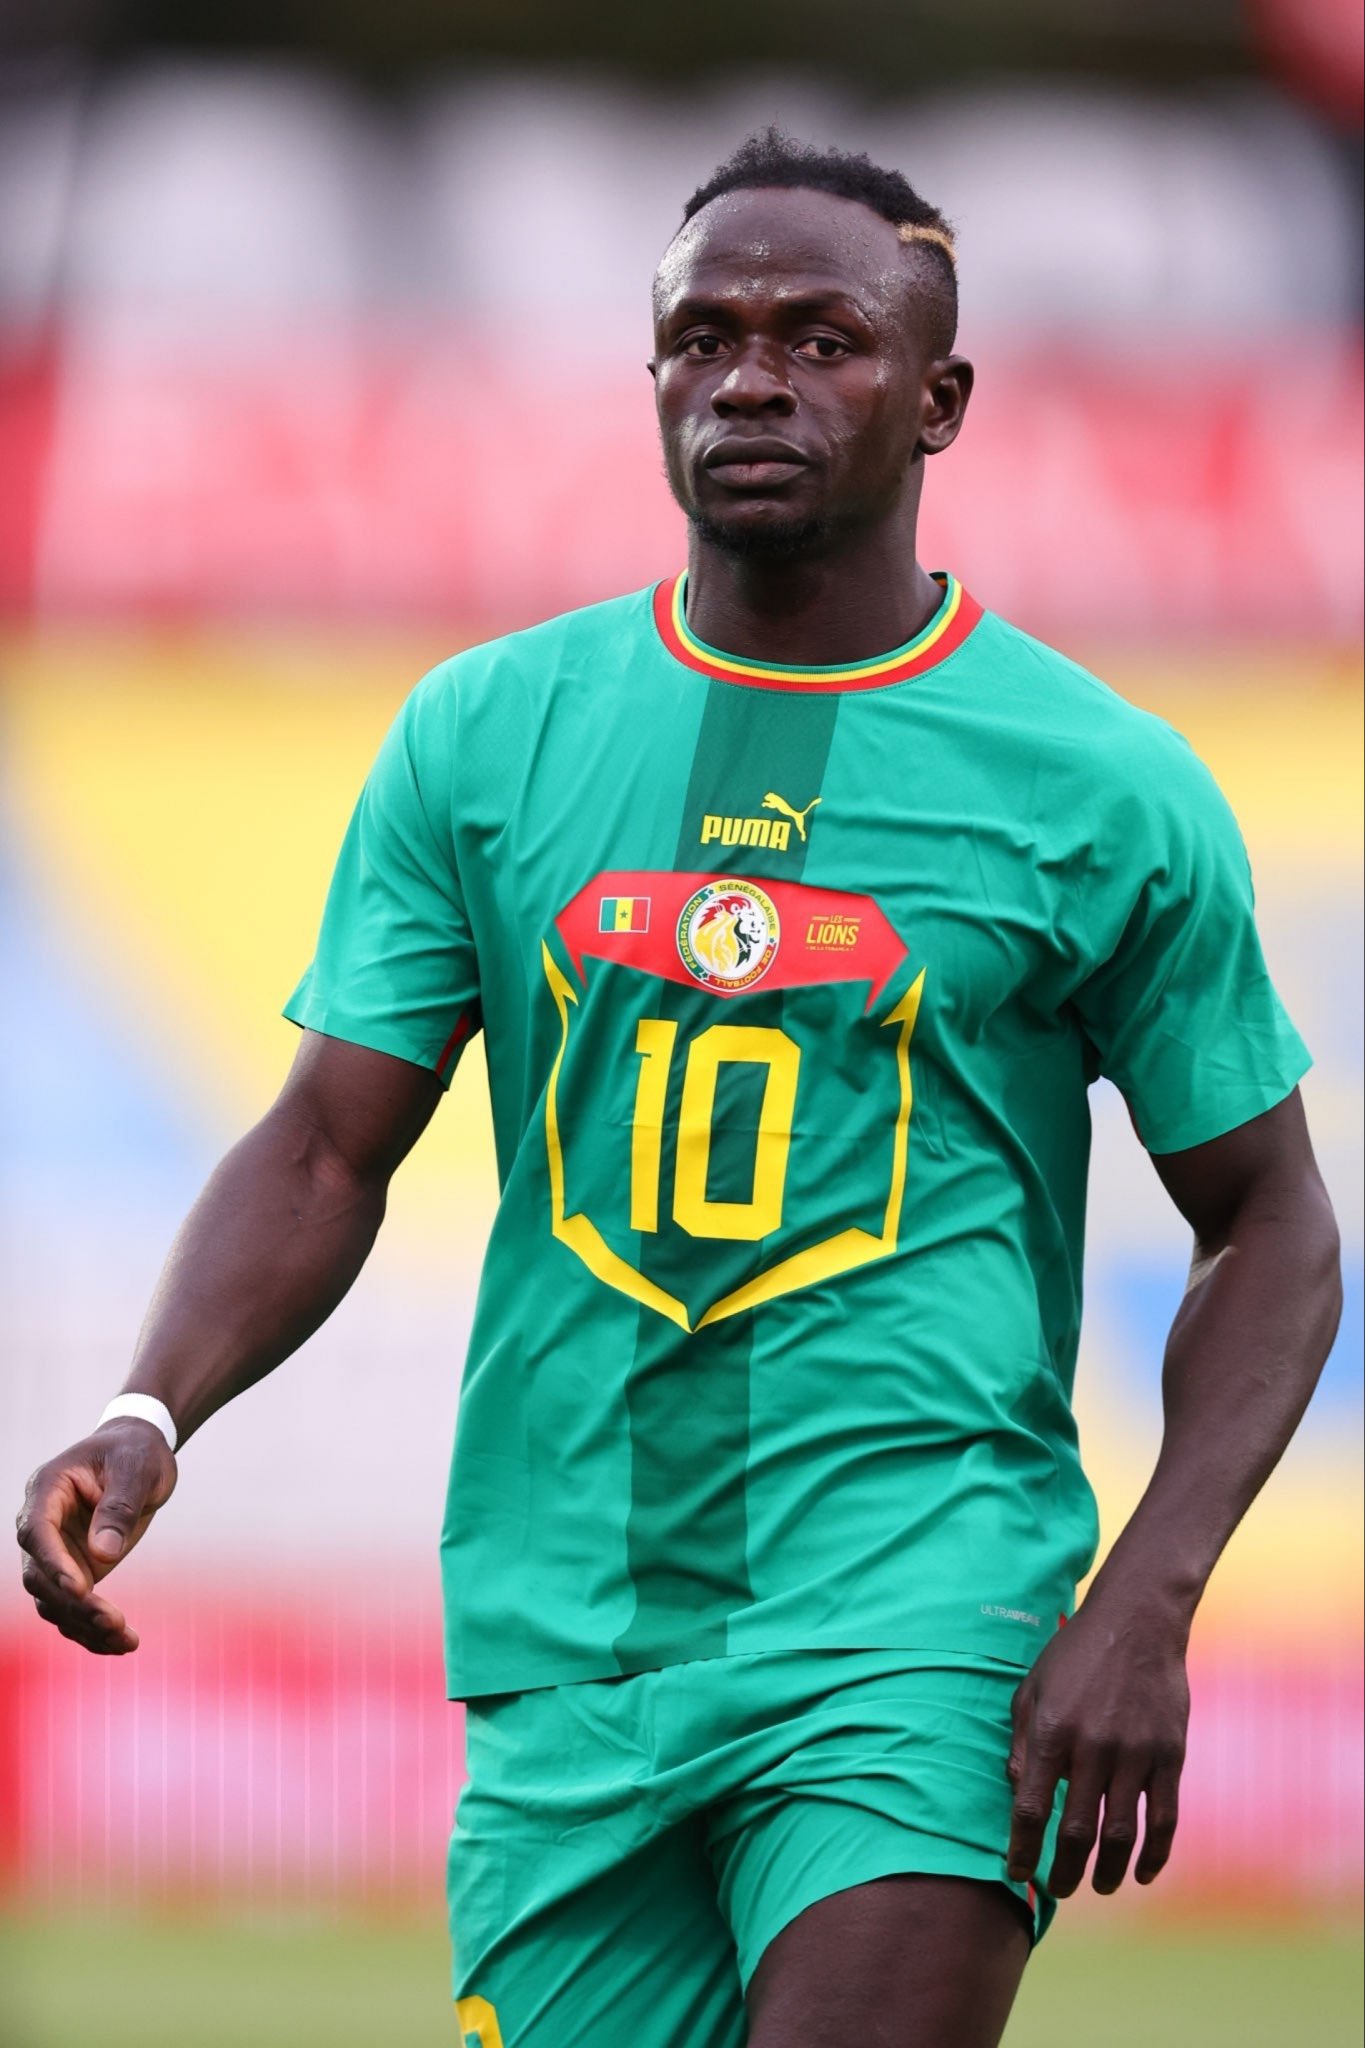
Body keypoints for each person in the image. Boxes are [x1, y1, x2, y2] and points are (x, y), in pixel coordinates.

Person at [16, 130, 1341, 2048]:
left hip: (921, 1625)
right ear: (649, 377)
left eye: (822, 340)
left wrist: (1146, 1596)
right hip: (567, 1649)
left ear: (939, 398)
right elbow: (321, 1146)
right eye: (704, 337)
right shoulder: (484, 735)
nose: (750, 379)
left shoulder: (1100, 785)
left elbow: (1269, 1220)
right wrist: (153, 1409)